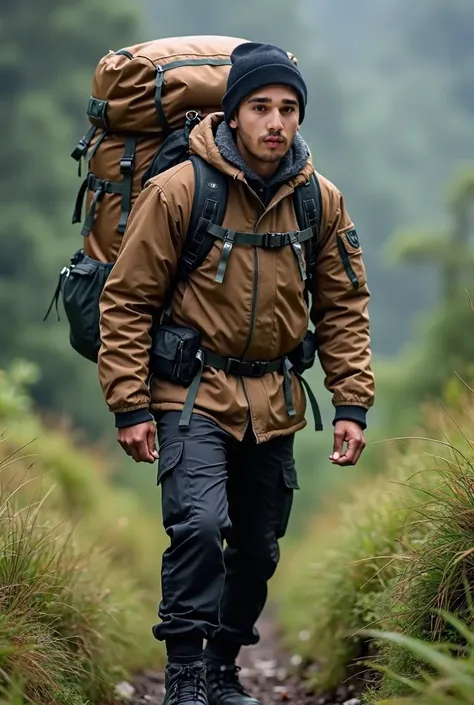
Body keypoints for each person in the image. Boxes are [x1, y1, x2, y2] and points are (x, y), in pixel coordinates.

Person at [97, 41, 375, 705]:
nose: (275, 122)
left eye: (287, 108)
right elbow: (128, 298)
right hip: (189, 391)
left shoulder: (320, 201)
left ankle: (222, 666)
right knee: (196, 524)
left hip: (275, 398)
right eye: (260, 107)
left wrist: (351, 403)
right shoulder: (179, 189)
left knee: (258, 547)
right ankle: (186, 678)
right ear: (233, 113)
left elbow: (343, 305)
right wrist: (130, 405)